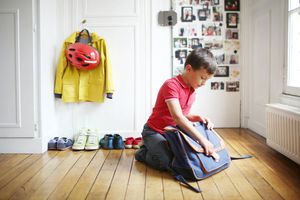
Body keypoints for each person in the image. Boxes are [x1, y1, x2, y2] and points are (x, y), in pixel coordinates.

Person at [135, 49, 217, 171]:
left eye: (207, 80)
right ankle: (142, 152)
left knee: (183, 158)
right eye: (202, 78)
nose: (204, 83)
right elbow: (178, 117)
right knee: (166, 162)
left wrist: (198, 117)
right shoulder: (171, 85)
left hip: (172, 132)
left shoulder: (192, 89)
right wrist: (202, 140)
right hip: (154, 131)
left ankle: (156, 147)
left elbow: (183, 114)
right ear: (188, 69)